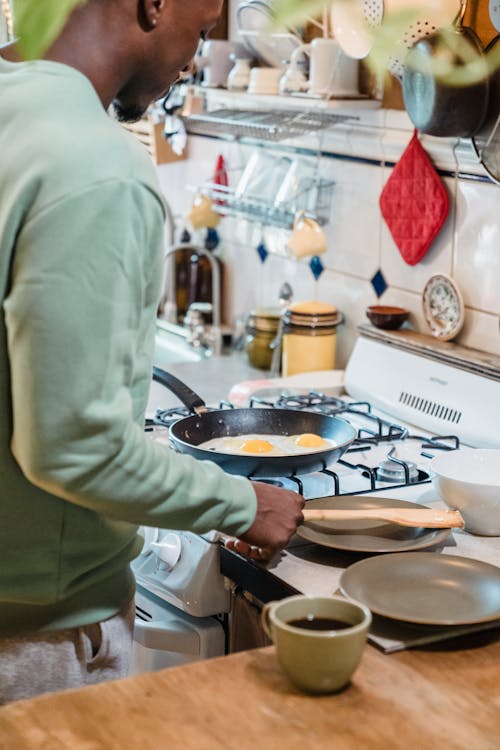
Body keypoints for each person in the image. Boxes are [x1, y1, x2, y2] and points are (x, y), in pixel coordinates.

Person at [0, 0, 304, 704]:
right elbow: (76, 449)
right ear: (154, 4)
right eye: (200, 32)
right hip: (34, 645)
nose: (192, 60)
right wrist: (238, 502)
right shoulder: (94, 165)